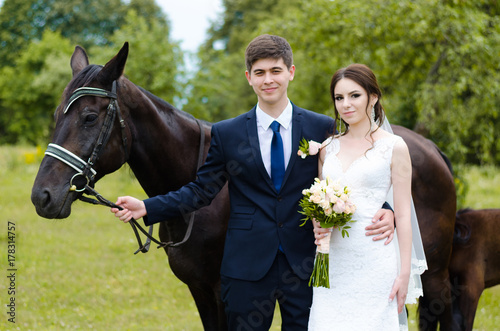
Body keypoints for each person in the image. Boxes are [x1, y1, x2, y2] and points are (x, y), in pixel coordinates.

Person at [111, 35, 395, 330]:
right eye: (259, 72)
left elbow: (347, 176)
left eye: (275, 71)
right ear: (249, 77)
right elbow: (201, 190)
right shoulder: (227, 133)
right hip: (245, 268)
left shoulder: (320, 126)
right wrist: (147, 206)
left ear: (291, 72)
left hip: (306, 264)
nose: (268, 80)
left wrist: (387, 208)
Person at [308, 63, 416, 330]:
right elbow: (318, 199)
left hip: (374, 257)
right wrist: (317, 222)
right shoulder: (327, 148)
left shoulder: (394, 147)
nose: (346, 104)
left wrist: (404, 274)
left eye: (354, 95)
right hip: (332, 259)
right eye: (339, 97)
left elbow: (403, 214)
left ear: (373, 97)